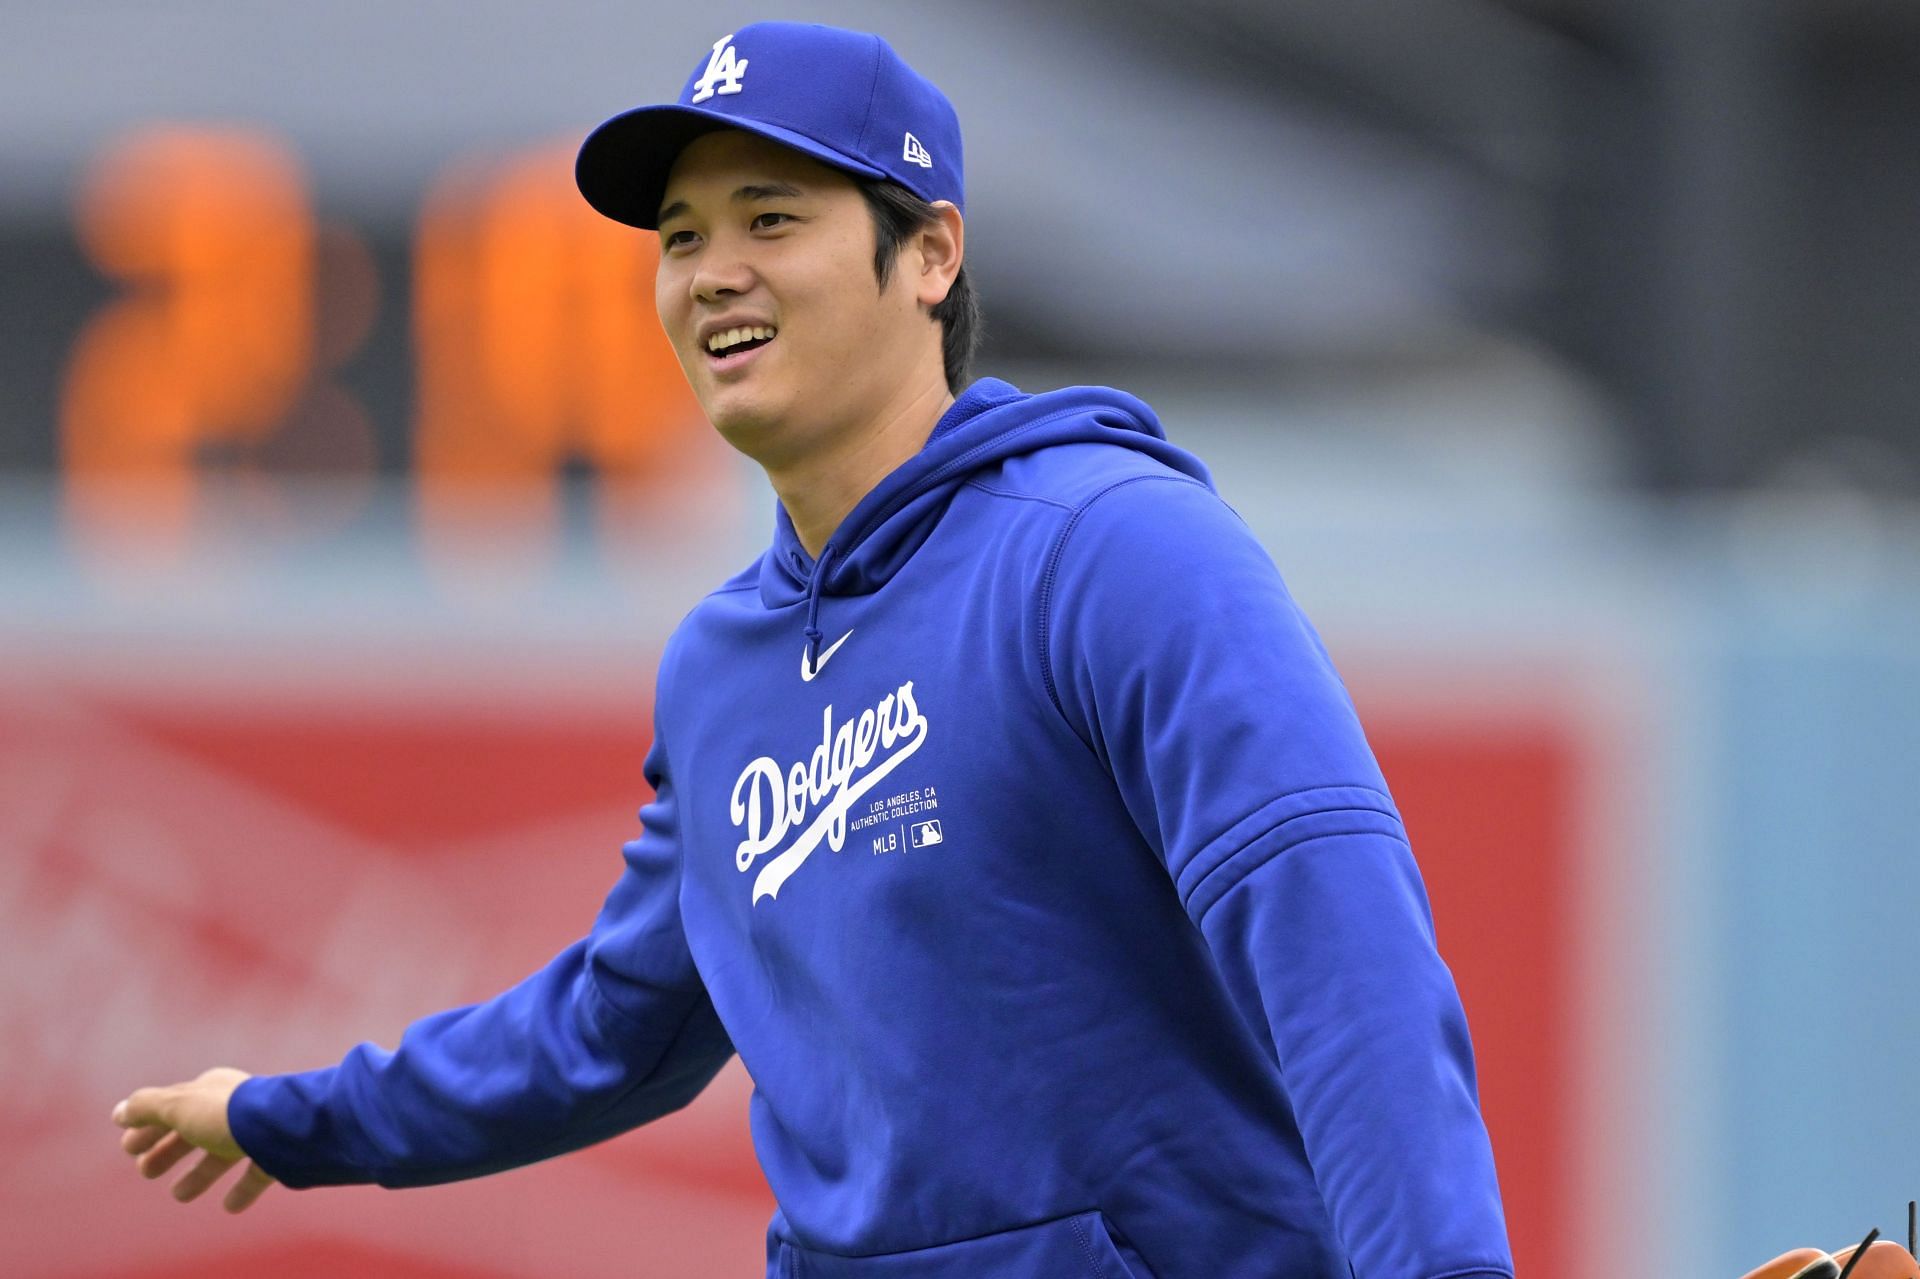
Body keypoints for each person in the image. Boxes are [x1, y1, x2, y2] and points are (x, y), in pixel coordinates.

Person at [111, 21, 1515, 1278]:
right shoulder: (723, 669)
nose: (713, 275)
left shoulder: (1113, 550)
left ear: (931, 255)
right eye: (679, 238)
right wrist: (292, 1118)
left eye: (770, 219)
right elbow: (610, 1032)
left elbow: (1341, 952)